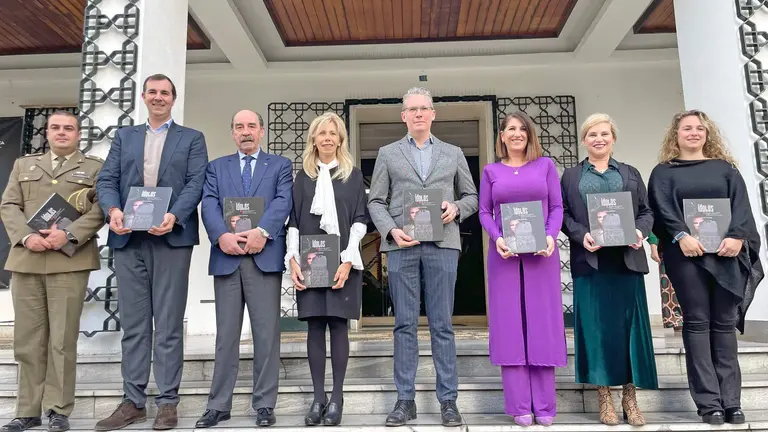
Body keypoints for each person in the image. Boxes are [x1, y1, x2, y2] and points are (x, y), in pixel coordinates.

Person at [94, 74, 209, 431]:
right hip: (130, 240)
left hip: (171, 239)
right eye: (153, 92)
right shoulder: (125, 136)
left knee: (169, 325)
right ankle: (133, 402)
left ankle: (168, 402)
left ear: (173, 99)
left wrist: (174, 216)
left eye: (165, 93)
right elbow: (106, 180)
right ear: (144, 97)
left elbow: (196, 182)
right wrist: (113, 211)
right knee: (134, 324)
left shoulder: (191, 138)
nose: (159, 98)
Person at [367, 87, 478, 427]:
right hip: (403, 247)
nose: (418, 114)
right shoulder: (387, 153)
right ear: (403, 116)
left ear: (433, 114)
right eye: (411, 109)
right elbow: (376, 201)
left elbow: (472, 195)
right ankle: (405, 401)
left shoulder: (453, 152)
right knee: (404, 325)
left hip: (443, 245)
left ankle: (448, 401)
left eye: (423, 109)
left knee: (442, 325)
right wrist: (390, 231)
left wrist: (456, 207)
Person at [648, 109, 763, 425]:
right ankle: (709, 404)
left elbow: (742, 208)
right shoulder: (663, 172)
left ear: (707, 133)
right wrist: (681, 236)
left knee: (724, 325)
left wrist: (738, 237)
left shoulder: (727, 170)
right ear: (676, 134)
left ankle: (732, 402)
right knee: (697, 323)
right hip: (686, 256)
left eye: (700, 128)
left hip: (726, 255)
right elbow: (661, 208)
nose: (694, 133)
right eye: (687, 128)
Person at [0, 111, 104, 432]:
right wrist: (27, 236)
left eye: (68, 128)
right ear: (47, 132)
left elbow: (101, 208)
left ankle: (58, 409)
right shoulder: (23, 165)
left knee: (62, 339)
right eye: (56, 128)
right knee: (27, 339)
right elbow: (9, 205)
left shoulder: (94, 168)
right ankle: (27, 410)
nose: (62, 133)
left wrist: (68, 234)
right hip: (27, 259)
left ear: (78, 134)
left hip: (69, 259)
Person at [195, 110, 293, 428]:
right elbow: (208, 203)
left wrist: (261, 232)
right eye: (240, 126)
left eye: (252, 126)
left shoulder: (279, 165)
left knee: (266, 336)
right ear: (233, 133)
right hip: (227, 257)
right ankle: (219, 405)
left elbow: (283, 201)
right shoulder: (215, 167)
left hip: (263, 257)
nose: (246, 131)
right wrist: (221, 236)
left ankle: (264, 404)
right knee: (226, 336)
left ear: (261, 132)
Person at [560, 113, 658, 426]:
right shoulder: (572, 177)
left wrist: (641, 232)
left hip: (626, 263)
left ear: (613, 138)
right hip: (591, 262)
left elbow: (646, 212)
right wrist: (581, 235)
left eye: (604, 134)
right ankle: (604, 396)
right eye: (592, 135)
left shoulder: (629, 173)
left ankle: (630, 396)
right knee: (596, 329)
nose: (599, 139)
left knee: (628, 329)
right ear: (584, 140)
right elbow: (562, 215)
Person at [477, 111, 565, 427]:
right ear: (501, 136)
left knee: (541, 322)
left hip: (542, 255)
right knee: (510, 325)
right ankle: (518, 405)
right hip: (504, 256)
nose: (516, 133)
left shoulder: (545, 167)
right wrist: (497, 238)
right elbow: (484, 211)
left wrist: (552, 237)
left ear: (529, 135)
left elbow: (556, 207)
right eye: (510, 129)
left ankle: (544, 405)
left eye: (522, 129)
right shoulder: (491, 171)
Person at [284, 112, 368, 426]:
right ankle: (318, 398)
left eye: (333, 133)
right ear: (314, 139)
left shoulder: (353, 175)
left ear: (341, 139)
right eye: (322, 133)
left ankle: (337, 397)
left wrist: (348, 259)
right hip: (310, 262)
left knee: (338, 326)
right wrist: (291, 259)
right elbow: (293, 221)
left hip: (343, 262)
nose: (328, 138)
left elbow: (360, 218)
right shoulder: (303, 176)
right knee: (315, 326)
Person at [648, 232, 684, 330]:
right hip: (668, 245)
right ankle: (676, 320)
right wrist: (653, 245)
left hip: (698, 243)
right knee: (669, 285)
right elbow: (655, 220)